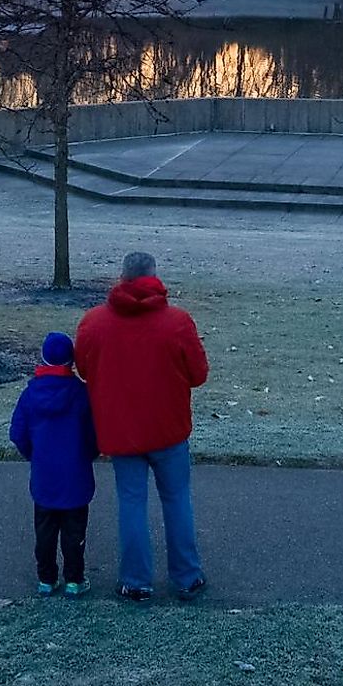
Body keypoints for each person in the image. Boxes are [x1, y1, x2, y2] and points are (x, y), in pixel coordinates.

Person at [73, 251, 209, 602]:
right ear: (153, 277)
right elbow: (198, 374)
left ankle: (135, 581)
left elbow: (86, 370)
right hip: (169, 429)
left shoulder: (94, 323)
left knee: (131, 503)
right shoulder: (177, 322)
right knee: (177, 499)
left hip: (122, 432)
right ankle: (187, 578)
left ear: (121, 277)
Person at [7, 331, 97, 595]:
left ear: (43, 359)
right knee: (74, 531)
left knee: (45, 530)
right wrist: (88, 454)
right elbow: (93, 434)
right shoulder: (81, 395)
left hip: (45, 476)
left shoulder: (31, 395)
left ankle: (46, 578)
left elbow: (19, 434)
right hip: (76, 476)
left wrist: (34, 456)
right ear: (71, 361)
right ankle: (74, 579)